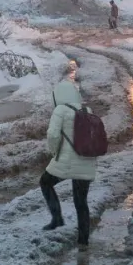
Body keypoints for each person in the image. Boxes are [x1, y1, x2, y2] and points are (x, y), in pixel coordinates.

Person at [41, 81, 96, 246]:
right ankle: (83, 240)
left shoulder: (60, 110)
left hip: (65, 162)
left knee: (45, 182)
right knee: (81, 201)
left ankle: (57, 218)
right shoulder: (87, 110)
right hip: (87, 160)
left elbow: (52, 135)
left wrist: (53, 151)